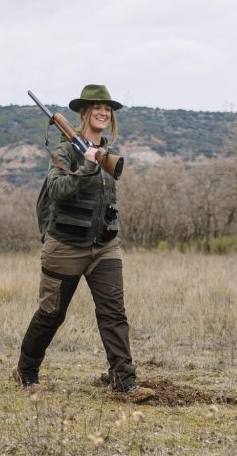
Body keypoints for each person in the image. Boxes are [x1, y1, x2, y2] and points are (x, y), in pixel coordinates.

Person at [12, 84, 156, 403]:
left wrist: (97, 162)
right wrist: (87, 165)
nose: (104, 112)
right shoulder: (67, 150)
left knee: (113, 312)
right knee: (51, 314)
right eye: (97, 107)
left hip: (104, 246)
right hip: (65, 245)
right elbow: (57, 190)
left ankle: (125, 382)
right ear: (84, 113)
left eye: (108, 108)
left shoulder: (106, 153)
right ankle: (26, 371)